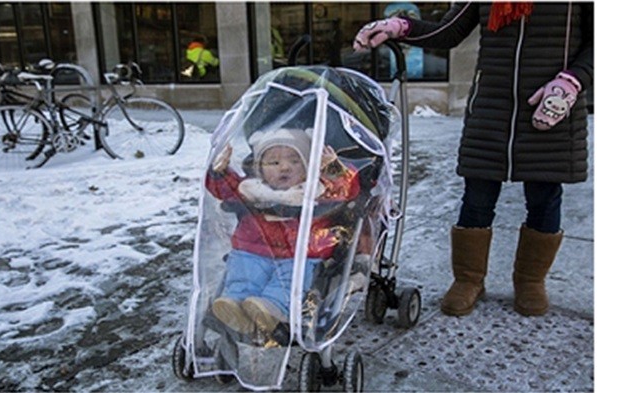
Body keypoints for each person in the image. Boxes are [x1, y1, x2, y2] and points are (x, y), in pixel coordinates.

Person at [353, 2, 593, 317]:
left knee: (544, 197)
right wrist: (400, 27)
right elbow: (448, 30)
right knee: (477, 198)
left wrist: (572, 81)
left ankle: (530, 281)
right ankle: (469, 280)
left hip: (551, 105)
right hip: (492, 108)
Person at [204, 128, 361, 340]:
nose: (285, 167)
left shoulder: (317, 189)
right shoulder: (252, 188)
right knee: (243, 273)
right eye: (274, 163)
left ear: (308, 166)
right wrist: (219, 172)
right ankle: (235, 305)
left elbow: (346, 189)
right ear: (259, 168)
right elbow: (226, 189)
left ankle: (272, 308)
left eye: (295, 161)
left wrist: (332, 168)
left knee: (289, 282)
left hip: (300, 254)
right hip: (253, 249)